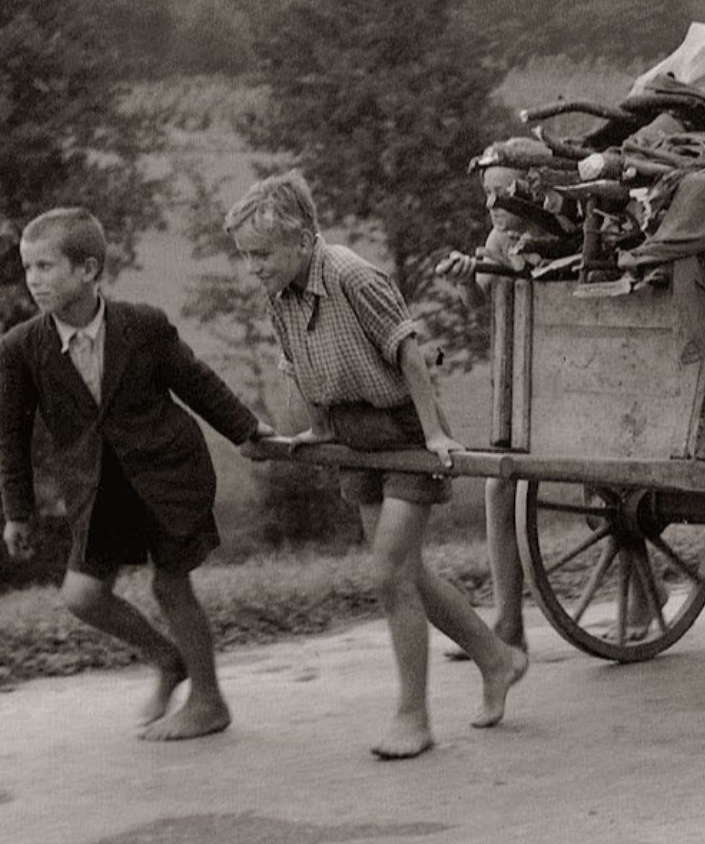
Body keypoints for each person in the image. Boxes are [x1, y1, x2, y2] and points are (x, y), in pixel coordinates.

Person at [226, 172, 527, 760]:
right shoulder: (278, 292)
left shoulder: (351, 276)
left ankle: (413, 717)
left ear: (303, 239)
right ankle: (497, 659)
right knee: (405, 572)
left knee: (390, 572)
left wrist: (437, 433)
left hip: (404, 430)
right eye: (245, 256)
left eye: (261, 254)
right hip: (351, 431)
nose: (252, 267)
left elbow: (408, 353)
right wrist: (317, 430)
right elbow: (301, 361)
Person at [0, 207, 270, 741]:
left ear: (89, 270)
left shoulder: (142, 325)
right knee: (83, 596)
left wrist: (246, 431)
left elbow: (197, 382)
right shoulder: (20, 350)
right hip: (98, 487)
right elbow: (11, 436)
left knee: (171, 584)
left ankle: (209, 700)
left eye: (46, 267)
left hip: (168, 473)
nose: (34, 281)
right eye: (28, 268)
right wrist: (17, 513)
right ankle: (167, 659)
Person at [431, 164, 541, 658]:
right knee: (499, 487)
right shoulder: (498, 240)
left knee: (600, 495)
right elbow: (484, 304)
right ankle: (509, 623)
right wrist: (466, 279)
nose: (493, 205)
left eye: (503, 193)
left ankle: (648, 592)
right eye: (487, 195)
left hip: (564, 377)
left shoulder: (569, 225)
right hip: (520, 382)